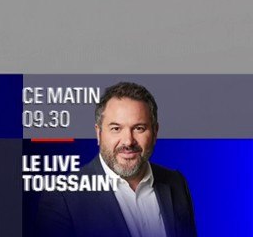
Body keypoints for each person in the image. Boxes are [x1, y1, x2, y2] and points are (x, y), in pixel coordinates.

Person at [36, 82, 197, 237]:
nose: (128, 141)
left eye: (139, 128)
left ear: (155, 133)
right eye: (116, 129)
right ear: (98, 133)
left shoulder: (176, 183)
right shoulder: (63, 197)